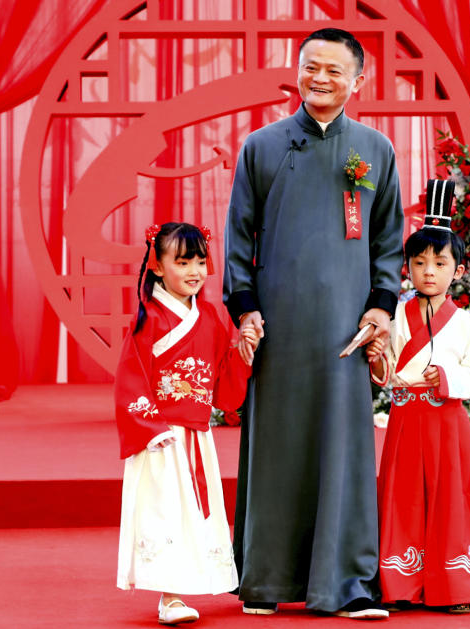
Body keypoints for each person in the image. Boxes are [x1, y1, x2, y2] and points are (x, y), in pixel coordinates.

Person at [223, 28, 404, 618]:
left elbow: (388, 241)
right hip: (278, 326)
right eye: (310, 67)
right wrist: (245, 309)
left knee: (344, 449)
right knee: (275, 446)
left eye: (333, 70)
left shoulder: (375, 150)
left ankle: (347, 584)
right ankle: (265, 580)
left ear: (359, 80)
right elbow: (237, 238)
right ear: (296, 72)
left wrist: (381, 307)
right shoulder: (263, 146)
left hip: (347, 331)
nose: (319, 79)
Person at [366, 179, 470, 614]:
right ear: (406, 267)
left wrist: (445, 377)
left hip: (446, 423)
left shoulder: (463, 323)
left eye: (440, 262)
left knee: (451, 497)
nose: (429, 271)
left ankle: (456, 586)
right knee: (403, 496)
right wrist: (377, 362)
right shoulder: (394, 316)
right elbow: (385, 372)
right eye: (420, 262)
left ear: (458, 271)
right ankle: (401, 583)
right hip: (406, 420)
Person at [115, 222, 259, 625]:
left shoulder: (209, 317)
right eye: (182, 262)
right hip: (160, 436)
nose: (195, 270)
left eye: (200, 261)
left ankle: (200, 581)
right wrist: (151, 430)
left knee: (196, 512)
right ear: (157, 267)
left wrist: (243, 352)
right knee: (165, 511)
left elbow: (224, 392)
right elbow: (130, 379)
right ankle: (170, 597)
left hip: (197, 437)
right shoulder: (148, 320)